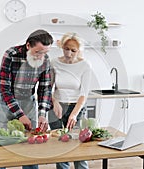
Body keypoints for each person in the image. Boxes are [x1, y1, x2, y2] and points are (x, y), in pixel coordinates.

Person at [0, 29, 54, 169]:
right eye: (38, 52)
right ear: (28, 46)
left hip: (28, 102)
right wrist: (20, 115)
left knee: (30, 152)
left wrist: (43, 114)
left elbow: (45, 89)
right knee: (0, 151)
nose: (41, 56)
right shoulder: (11, 55)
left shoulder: (45, 60)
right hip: (5, 104)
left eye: (45, 53)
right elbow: (4, 89)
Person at [48, 32, 92, 169]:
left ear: (79, 51)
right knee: (60, 148)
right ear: (62, 47)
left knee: (78, 146)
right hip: (57, 108)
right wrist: (54, 102)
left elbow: (84, 93)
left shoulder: (85, 65)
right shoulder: (54, 62)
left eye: (73, 50)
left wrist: (74, 114)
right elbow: (49, 87)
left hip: (76, 108)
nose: (69, 53)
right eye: (66, 49)